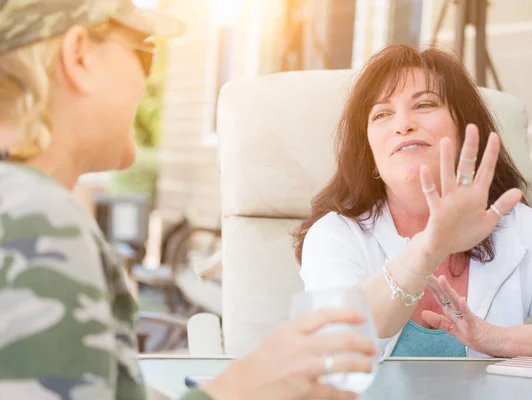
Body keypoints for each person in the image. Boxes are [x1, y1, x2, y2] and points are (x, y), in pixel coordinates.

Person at [0, 1, 376, 399]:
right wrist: (240, 390)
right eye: (145, 55)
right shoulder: (36, 216)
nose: (147, 83)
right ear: (79, 57)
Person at [294, 44, 532, 360]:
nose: (402, 124)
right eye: (382, 113)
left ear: (465, 132)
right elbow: (336, 345)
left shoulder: (515, 226)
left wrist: (499, 340)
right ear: (370, 156)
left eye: (424, 104)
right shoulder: (335, 234)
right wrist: (429, 248)